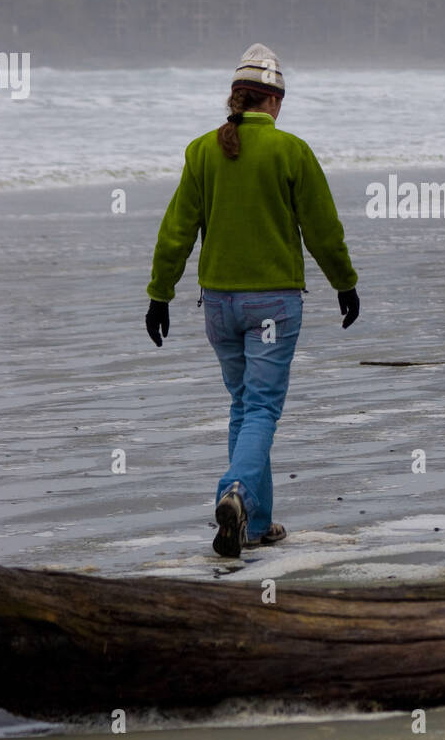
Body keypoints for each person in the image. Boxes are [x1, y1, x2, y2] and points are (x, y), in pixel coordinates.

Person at [145, 44, 359, 558]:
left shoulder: (201, 150)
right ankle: (235, 493)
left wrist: (160, 294)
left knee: (243, 405)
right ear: (275, 102)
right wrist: (344, 283)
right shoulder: (292, 151)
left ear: (237, 98)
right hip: (274, 306)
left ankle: (256, 524)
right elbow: (322, 230)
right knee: (261, 407)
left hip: (218, 304)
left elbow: (177, 231)